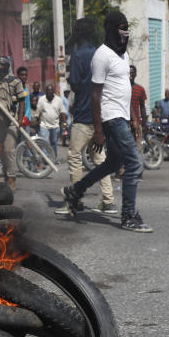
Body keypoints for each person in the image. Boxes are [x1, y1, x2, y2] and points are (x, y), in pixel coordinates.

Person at [61, 11, 152, 232]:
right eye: (120, 28)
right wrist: (99, 131)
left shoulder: (123, 54)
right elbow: (95, 94)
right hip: (111, 118)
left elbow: (125, 88)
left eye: (126, 27)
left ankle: (76, 190)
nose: (125, 32)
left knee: (112, 163)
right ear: (111, 29)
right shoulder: (101, 55)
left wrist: (133, 118)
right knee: (134, 163)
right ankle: (128, 215)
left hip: (122, 116)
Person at [56, 18, 116, 216]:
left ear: (78, 34)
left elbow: (73, 84)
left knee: (74, 157)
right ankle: (108, 201)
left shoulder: (79, 56)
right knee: (101, 159)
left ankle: (74, 199)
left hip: (83, 115)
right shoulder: (100, 53)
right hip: (100, 117)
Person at [0, 56, 27, 191]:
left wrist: (20, 119)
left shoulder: (15, 81)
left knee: (9, 150)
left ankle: (11, 179)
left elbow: (22, 100)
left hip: (11, 121)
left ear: (8, 66)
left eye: (3, 65)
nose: (1, 67)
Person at [34, 83, 66, 162]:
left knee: (54, 143)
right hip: (44, 125)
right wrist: (37, 119)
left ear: (53, 91)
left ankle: (53, 158)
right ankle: (46, 160)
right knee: (45, 142)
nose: (49, 92)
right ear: (46, 92)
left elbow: (62, 112)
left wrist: (64, 123)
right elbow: (38, 111)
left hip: (55, 125)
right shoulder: (42, 99)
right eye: (48, 91)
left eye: (51, 91)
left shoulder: (58, 100)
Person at [129, 65, 148, 141]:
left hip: (137, 124)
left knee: (138, 148)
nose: (130, 74)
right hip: (124, 124)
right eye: (129, 73)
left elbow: (142, 107)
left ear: (135, 74)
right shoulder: (122, 88)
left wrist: (144, 124)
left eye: (132, 73)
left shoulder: (140, 89)